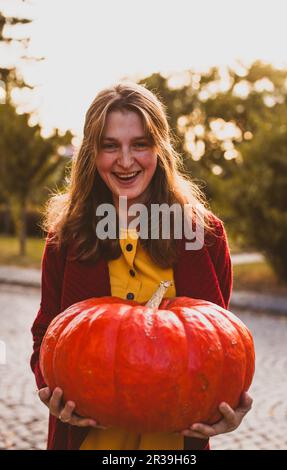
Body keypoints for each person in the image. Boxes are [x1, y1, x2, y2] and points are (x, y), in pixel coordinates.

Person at [30, 81, 253, 450]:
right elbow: (46, 334)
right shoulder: (66, 238)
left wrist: (224, 407)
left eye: (140, 144)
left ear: (159, 149)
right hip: (89, 443)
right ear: (92, 153)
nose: (126, 160)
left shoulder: (204, 235)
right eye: (110, 146)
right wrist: (50, 388)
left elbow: (219, 345)